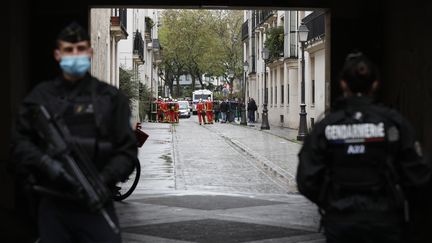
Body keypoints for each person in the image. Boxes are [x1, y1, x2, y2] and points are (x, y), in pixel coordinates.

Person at [11, 22, 137, 243]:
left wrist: (103, 180)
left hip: (96, 201)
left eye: (80, 49)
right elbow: (19, 143)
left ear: (89, 52)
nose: (75, 55)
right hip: (54, 202)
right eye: (69, 50)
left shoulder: (110, 98)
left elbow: (127, 150)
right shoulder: (41, 97)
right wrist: (48, 166)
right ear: (58, 55)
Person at [296, 51, 431, 243]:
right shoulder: (393, 123)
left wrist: (332, 202)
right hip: (385, 220)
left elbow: (306, 178)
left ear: (343, 83)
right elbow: (419, 174)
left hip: (341, 222)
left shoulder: (326, 127)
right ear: (375, 84)